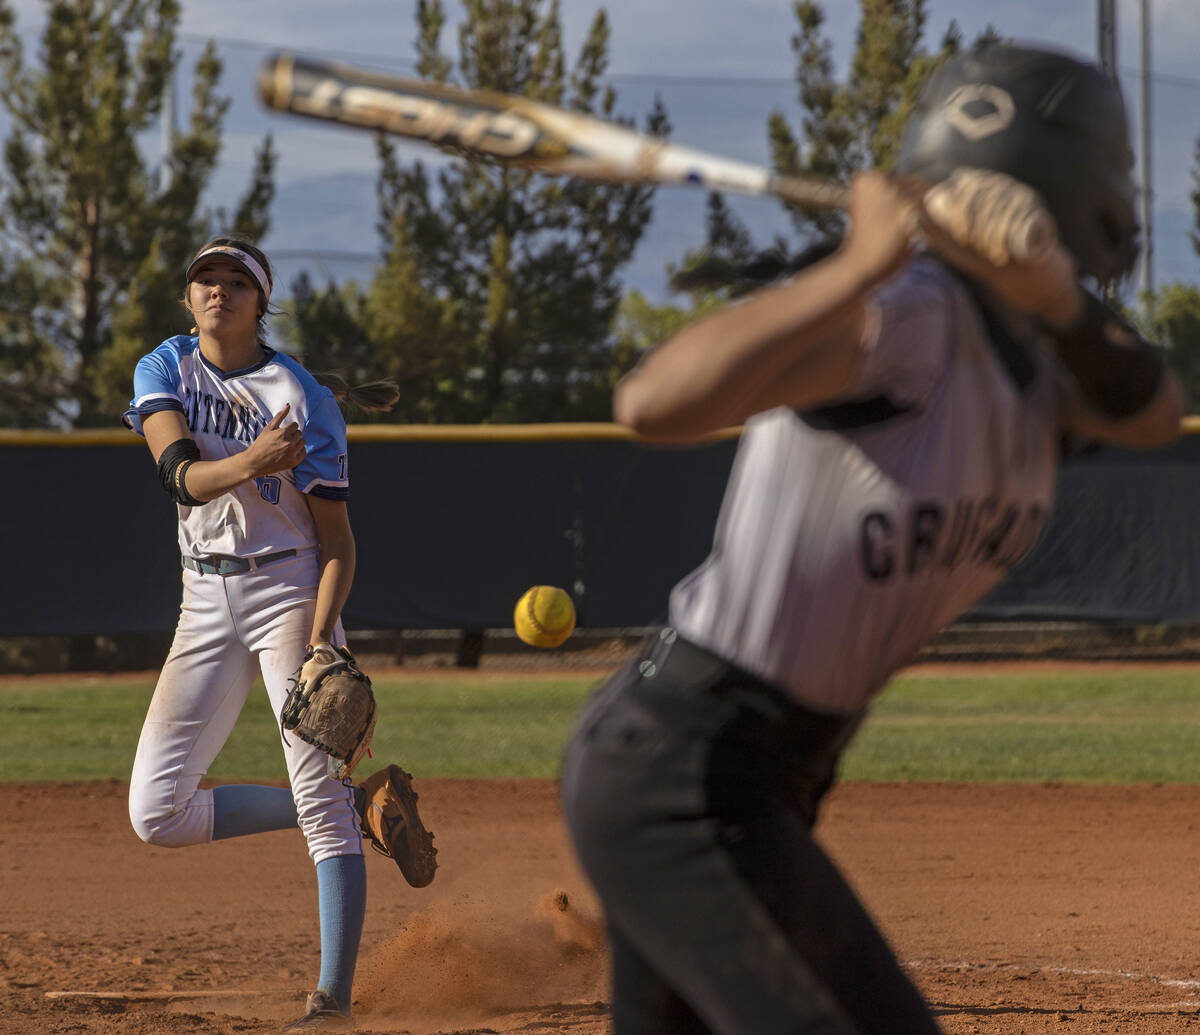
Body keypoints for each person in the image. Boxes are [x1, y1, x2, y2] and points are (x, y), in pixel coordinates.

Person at [561, 42, 1185, 1035]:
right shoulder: (910, 316)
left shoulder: (1038, 365)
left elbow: (1153, 413)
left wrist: (1054, 297)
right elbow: (653, 400)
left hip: (763, 777)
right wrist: (859, 263)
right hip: (685, 768)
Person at [122, 235, 436, 1030]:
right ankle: (357, 802)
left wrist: (326, 633)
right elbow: (178, 476)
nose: (217, 291)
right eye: (205, 280)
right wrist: (257, 455)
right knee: (156, 812)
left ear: (262, 302)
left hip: (288, 594)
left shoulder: (302, 396)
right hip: (203, 601)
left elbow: (338, 543)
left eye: (236, 281)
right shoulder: (163, 367)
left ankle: (331, 999)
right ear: (187, 298)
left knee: (318, 801)